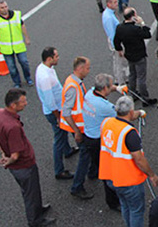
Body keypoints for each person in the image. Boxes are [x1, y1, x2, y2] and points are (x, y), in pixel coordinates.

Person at [0, 88, 56, 227]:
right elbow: (15, 155)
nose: (26, 103)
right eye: (23, 102)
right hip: (24, 166)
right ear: (13, 105)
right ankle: (34, 219)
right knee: (30, 192)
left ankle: (38, 208)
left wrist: (3, 153)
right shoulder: (13, 127)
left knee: (33, 190)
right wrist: (8, 160)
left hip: (18, 167)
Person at [100, 96, 158, 227]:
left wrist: (139, 113)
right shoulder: (129, 133)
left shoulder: (106, 122)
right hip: (128, 180)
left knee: (125, 206)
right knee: (136, 210)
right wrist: (152, 175)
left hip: (110, 177)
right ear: (130, 112)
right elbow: (139, 159)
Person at [82, 73, 126, 211]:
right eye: (111, 85)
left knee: (96, 163)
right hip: (98, 141)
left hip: (88, 135)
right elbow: (123, 116)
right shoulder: (105, 107)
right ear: (105, 88)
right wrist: (139, 112)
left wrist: (117, 88)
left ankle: (93, 173)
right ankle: (112, 201)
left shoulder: (90, 94)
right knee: (108, 173)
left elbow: (106, 87)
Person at [35, 47, 78, 180]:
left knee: (63, 133)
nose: (58, 58)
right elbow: (49, 101)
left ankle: (68, 150)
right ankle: (59, 170)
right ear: (49, 59)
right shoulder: (45, 77)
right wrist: (58, 117)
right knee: (59, 138)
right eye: (56, 56)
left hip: (59, 108)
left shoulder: (45, 68)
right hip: (56, 112)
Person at [61, 56, 95, 200]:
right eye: (87, 68)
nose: (89, 71)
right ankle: (77, 186)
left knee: (88, 152)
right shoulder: (73, 87)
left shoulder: (75, 82)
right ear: (80, 69)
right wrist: (76, 131)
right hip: (80, 129)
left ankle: (93, 172)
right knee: (84, 155)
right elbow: (67, 112)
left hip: (81, 127)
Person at [114, 7, 158, 107]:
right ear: (133, 15)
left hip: (129, 55)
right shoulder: (136, 29)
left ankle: (133, 93)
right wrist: (142, 23)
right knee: (141, 77)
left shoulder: (120, 28)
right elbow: (147, 34)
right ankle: (145, 98)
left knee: (132, 75)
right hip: (139, 55)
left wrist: (119, 49)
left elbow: (116, 41)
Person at [0, 0, 33, 88]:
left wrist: (26, 37)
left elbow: (22, 26)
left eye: (6, 7)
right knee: (11, 67)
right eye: (2, 8)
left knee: (24, 62)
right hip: (6, 48)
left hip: (18, 46)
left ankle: (28, 78)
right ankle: (17, 82)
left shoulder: (15, 15)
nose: (5, 9)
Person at [102, 0, 129, 85]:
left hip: (117, 40)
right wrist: (118, 48)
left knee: (120, 61)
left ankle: (122, 78)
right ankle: (120, 81)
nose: (117, 4)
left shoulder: (110, 13)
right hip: (116, 42)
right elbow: (112, 33)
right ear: (109, 4)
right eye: (115, 2)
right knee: (118, 62)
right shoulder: (109, 17)